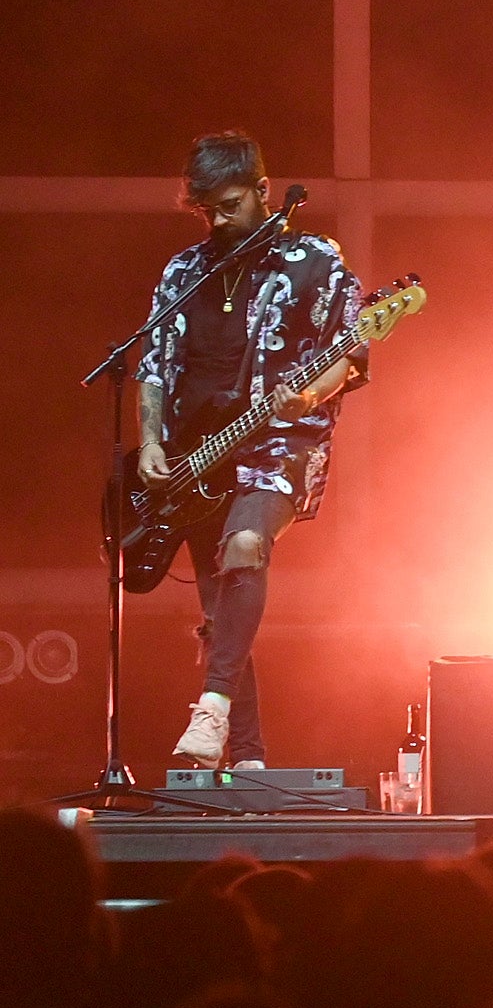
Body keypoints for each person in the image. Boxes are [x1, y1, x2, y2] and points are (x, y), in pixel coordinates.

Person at [135, 132, 368, 769]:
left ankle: (209, 710)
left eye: (231, 205)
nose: (218, 220)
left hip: (279, 442)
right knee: (222, 613)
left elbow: (351, 352)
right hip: (197, 457)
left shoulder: (315, 259)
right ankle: (248, 759)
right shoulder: (184, 272)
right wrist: (152, 441)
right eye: (205, 210)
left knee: (245, 545)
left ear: (264, 191)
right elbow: (155, 366)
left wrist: (308, 395)